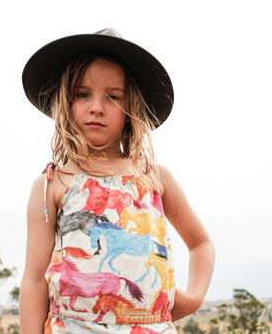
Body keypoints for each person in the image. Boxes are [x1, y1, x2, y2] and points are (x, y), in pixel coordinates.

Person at [19, 29, 215, 334]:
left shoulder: (153, 177)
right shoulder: (54, 184)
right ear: (65, 104)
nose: (97, 106)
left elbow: (201, 243)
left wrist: (194, 298)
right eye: (83, 94)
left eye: (113, 96)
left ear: (130, 109)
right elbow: (33, 278)